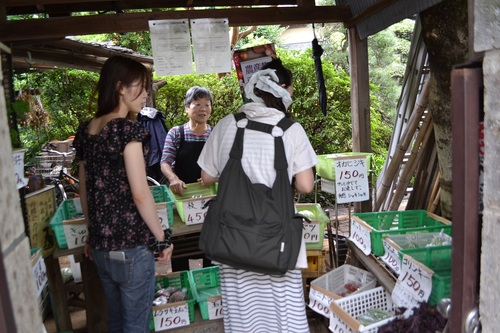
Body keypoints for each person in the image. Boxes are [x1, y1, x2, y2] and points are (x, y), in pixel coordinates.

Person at [197, 58, 318, 333]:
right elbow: (306, 185)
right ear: (283, 89)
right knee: (283, 313)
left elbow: (206, 177)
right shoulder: (291, 129)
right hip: (276, 243)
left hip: (232, 239)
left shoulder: (228, 124)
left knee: (242, 313)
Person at [73, 55, 174, 333]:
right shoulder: (127, 130)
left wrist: (93, 232)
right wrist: (162, 239)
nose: (145, 95)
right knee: (136, 326)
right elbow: (141, 194)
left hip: (102, 248)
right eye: (140, 88)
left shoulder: (87, 129)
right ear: (120, 88)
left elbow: (85, 190)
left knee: (116, 322)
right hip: (132, 247)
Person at [160, 86, 213, 195]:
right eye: (198, 104)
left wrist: (216, 178)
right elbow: (165, 163)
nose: (203, 109)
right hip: (183, 192)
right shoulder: (176, 133)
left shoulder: (216, 134)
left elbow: (227, 164)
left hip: (211, 191)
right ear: (186, 108)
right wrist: (173, 179)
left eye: (207, 105)